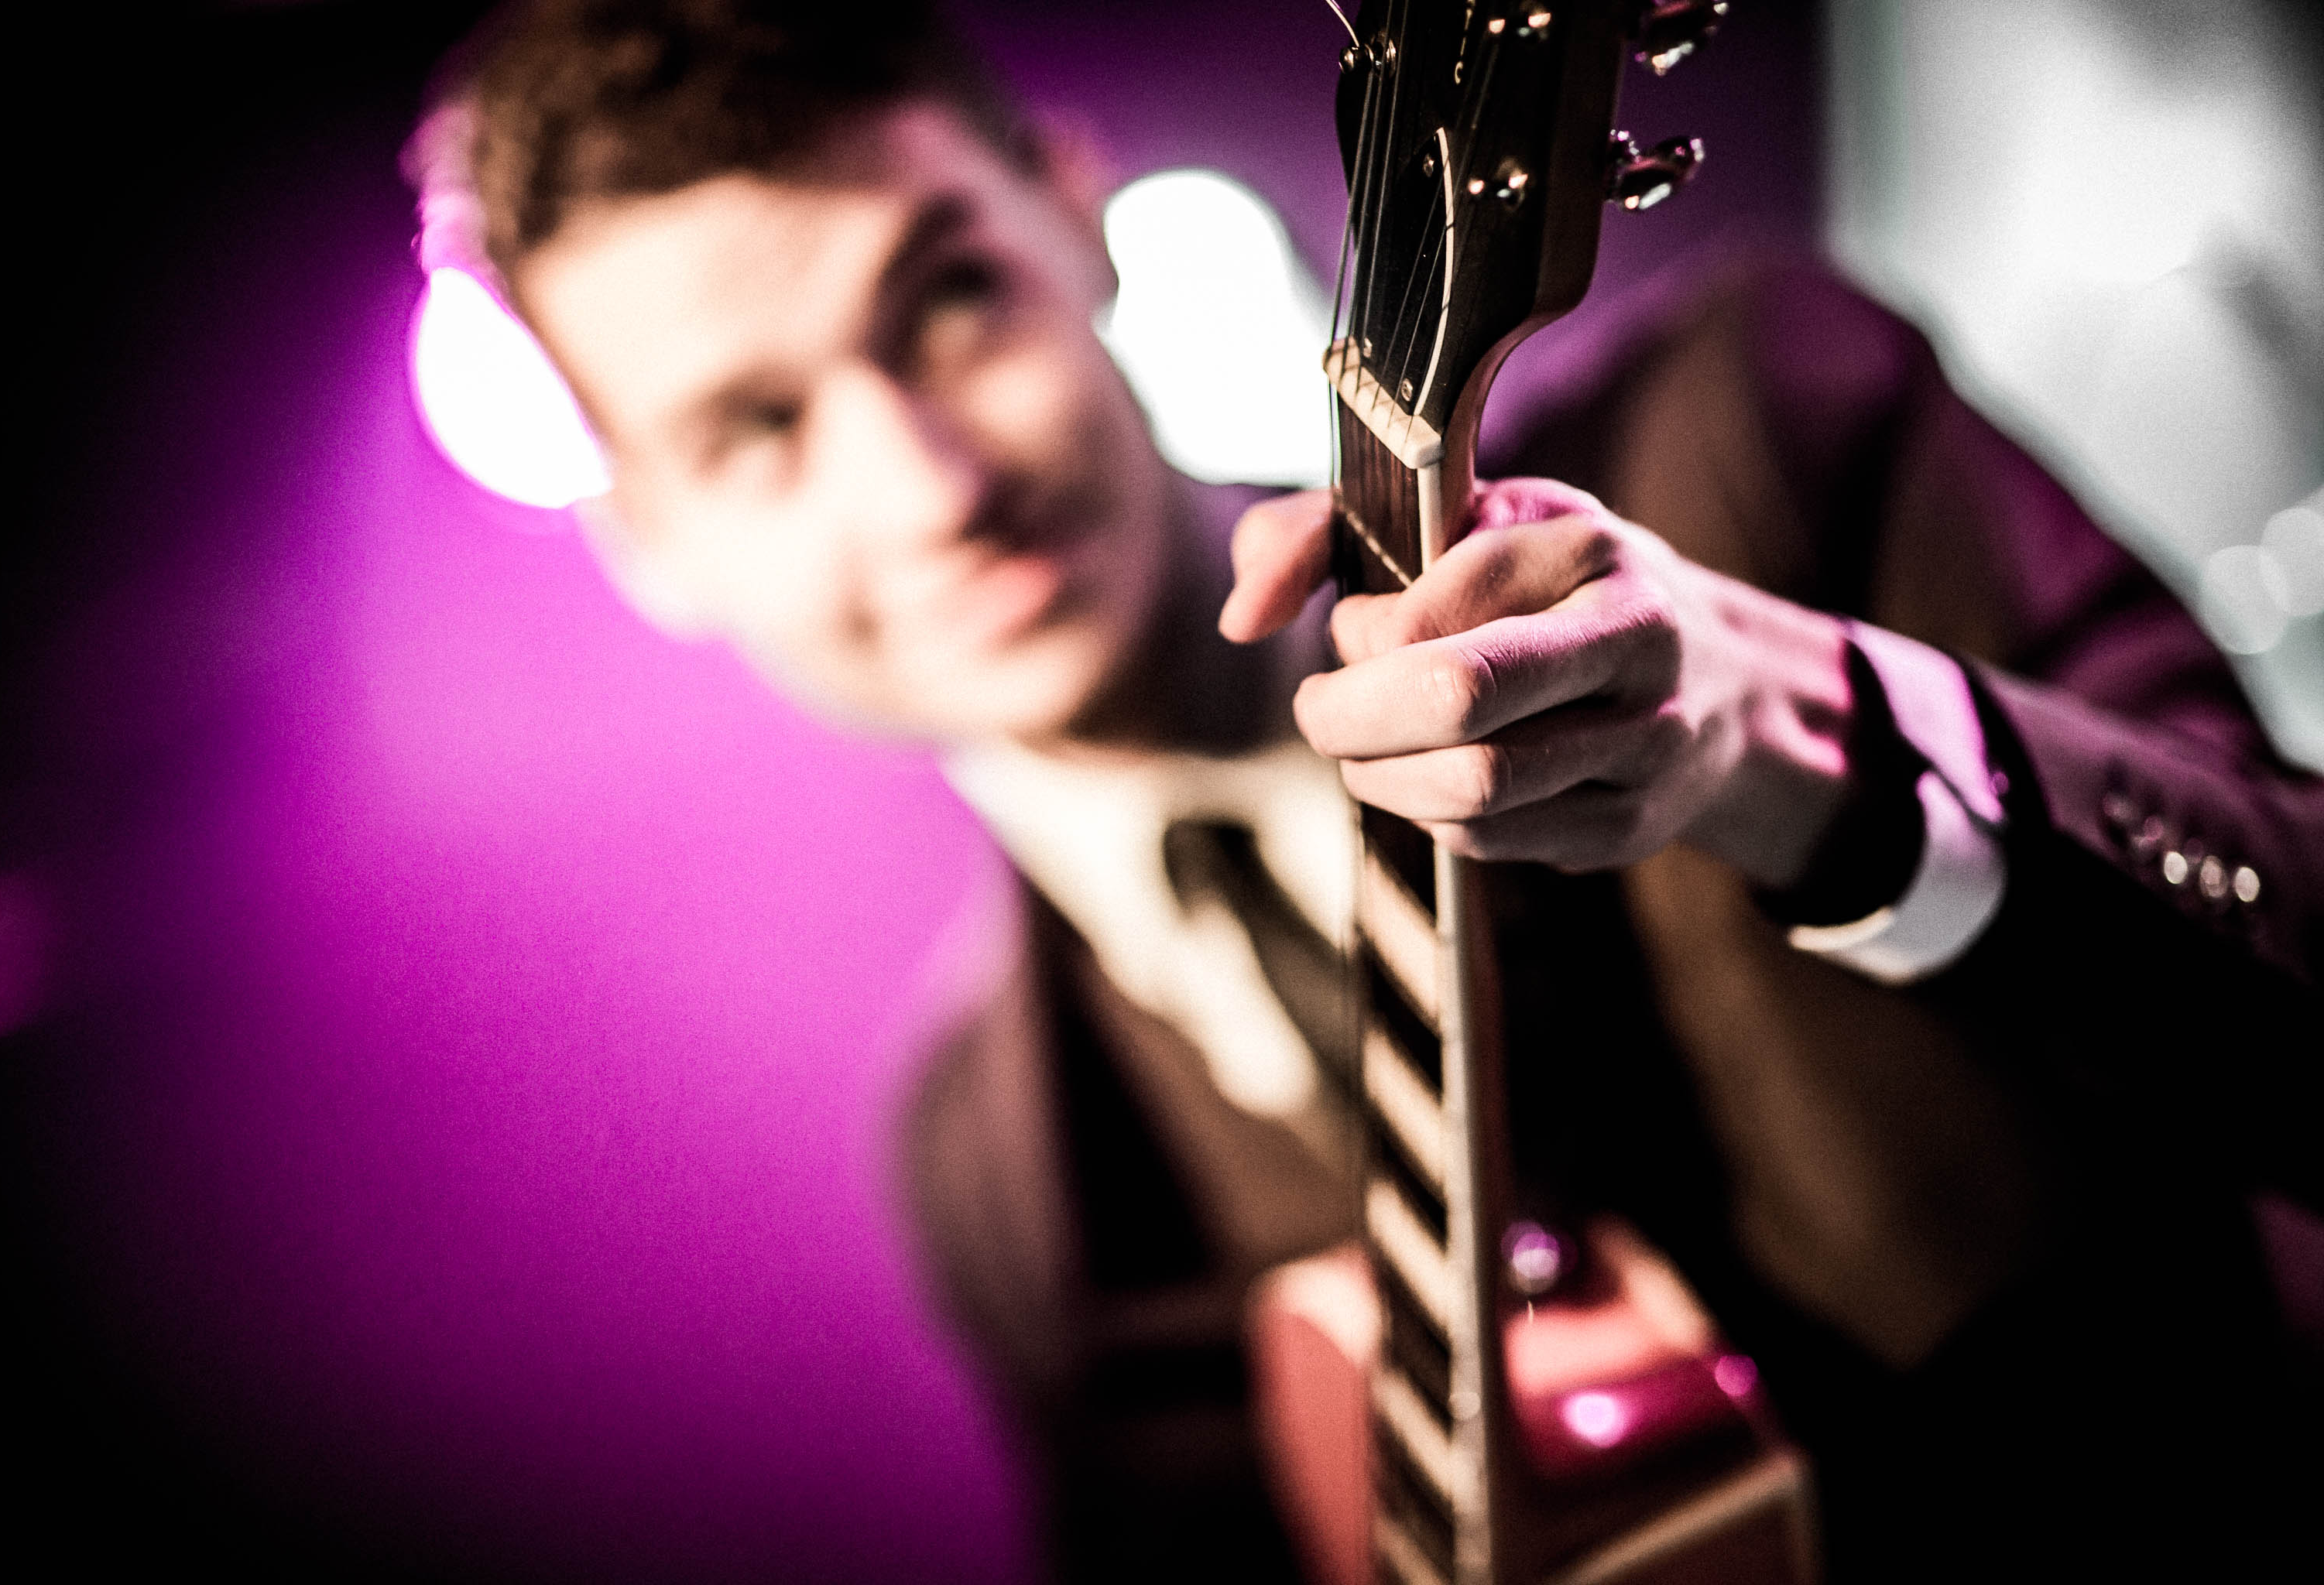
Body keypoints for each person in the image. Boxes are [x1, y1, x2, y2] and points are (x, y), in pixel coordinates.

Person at [415, 2, 2324, 1578]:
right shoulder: (997, 1166)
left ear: (1077, 216)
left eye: (951, 299)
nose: (928, 486)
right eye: (752, 431)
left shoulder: (1759, 423)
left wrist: (1790, 724)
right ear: (642, 543)